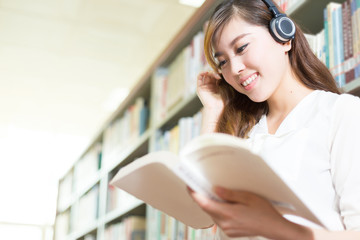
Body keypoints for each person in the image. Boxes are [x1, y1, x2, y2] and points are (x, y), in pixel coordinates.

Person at [191, 0, 360, 239]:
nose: (235, 69)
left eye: (241, 48)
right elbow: (202, 216)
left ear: (283, 36)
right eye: (223, 62)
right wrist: (212, 109)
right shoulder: (246, 134)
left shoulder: (342, 113)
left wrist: (275, 227)